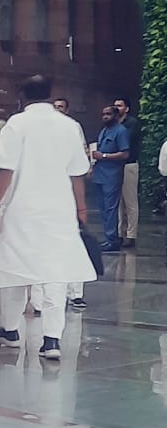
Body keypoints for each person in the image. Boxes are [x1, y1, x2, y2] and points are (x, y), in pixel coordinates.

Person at [0, 75, 95, 362]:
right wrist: (81, 211)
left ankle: (11, 330)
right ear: (50, 94)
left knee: (15, 269)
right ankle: (52, 340)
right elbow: (77, 174)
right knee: (55, 274)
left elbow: (5, 169)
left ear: (23, 95)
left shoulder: (17, 124)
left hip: (21, 209)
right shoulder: (70, 126)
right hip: (59, 210)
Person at [52, 98, 89, 309]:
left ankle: (76, 293)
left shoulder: (73, 128)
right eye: (55, 107)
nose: (58, 110)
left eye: (61, 107)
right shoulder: (44, 131)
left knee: (74, 242)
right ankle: (51, 293)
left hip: (68, 194)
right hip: (49, 194)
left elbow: (80, 166)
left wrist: (81, 205)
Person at [91, 104, 130, 253]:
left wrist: (105, 156)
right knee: (103, 208)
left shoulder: (121, 131)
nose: (105, 117)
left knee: (111, 208)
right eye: (103, 114)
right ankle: (109, 237)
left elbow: (125, 154)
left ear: (115, 115)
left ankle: (112, 240)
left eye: (108, 114)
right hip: (100, 174)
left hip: (112, 175)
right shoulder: (104, 131)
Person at [113, 96, 141, 248]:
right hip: (116, 165)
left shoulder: (132, 123)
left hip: (128, 164)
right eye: (115, 105)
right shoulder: (114, 123)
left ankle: (131, 234)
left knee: (130, 202)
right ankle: (119, 233)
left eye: (120, 105)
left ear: (126, 108)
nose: (116, 107)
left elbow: (125, 141)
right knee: (118, 203)